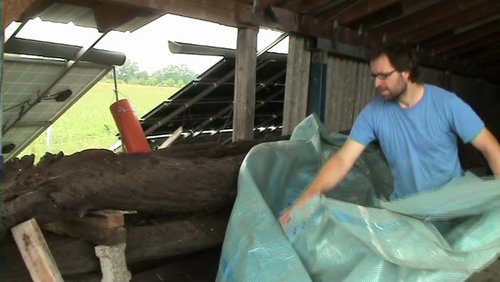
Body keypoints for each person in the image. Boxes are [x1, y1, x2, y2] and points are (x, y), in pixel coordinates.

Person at [280, 42, 500, 226]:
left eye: (384, 75)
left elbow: (490, 148)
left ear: (406, 72)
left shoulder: (448, 104)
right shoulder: (373, 114)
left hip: (452, 208)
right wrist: (304, 200)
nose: (377, 83)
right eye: (374, 76)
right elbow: (343, 160)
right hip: (407, 211)